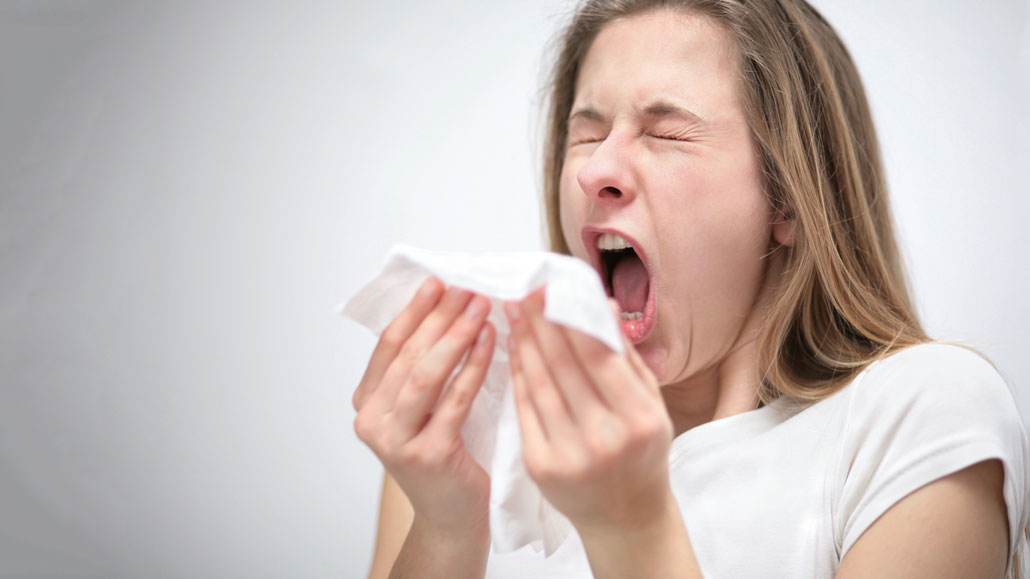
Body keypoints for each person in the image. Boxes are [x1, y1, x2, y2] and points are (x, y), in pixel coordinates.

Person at [352, 0, 1029, 577]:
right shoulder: (462, 434)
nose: (597, 170)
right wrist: (444, 532)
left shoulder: (918, 415)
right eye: (586, 133)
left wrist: (632, 530)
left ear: (789, 197)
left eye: (666, 131)